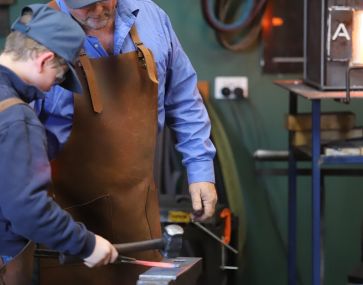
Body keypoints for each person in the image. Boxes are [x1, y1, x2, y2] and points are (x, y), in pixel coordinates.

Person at [36, 0, 218, 284]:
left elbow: (183, 98)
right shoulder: (39, 36)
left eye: (103, 0)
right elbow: (13, 140)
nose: (97, 10)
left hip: (137, 214)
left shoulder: (152, 18)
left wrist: (200, 168)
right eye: (85, 5)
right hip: (68, 224)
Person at [0, 4, 119, 285]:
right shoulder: (17, 118)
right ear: (44, 60)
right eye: (60, 76)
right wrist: (87, 245)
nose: (53, 86)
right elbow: (28, 210)